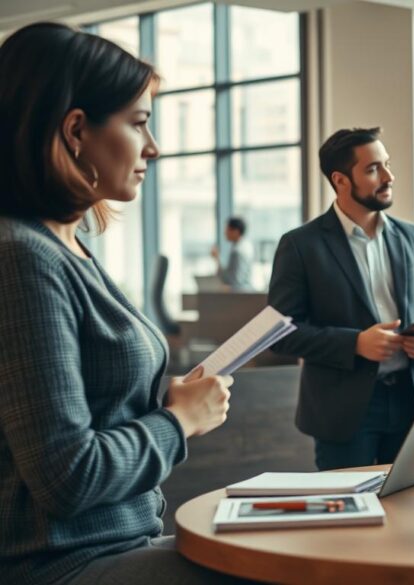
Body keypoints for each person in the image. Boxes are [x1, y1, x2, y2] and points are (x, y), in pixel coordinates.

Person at [0, 23, 240, 585]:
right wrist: (179, 420)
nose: (152, 147)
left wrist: (167, 405)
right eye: (138, 124)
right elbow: (66, 476)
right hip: (62, 563)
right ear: (77, 130)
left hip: (122, 542)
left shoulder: (65, 246)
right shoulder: (22, 258)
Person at [268, 127, 414, 471]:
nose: (388, 176)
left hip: (411, 400)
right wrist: (355, 344)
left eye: (387, 165)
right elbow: (281, 333)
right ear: (340, 180)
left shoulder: (410, 236)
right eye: (372, 169)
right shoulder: (301, 245)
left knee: (410, 509)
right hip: (344, 409)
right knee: (349, 515)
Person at [211, 216, 255, 291]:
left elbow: (232, 280)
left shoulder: (237, 251)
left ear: (236, 231)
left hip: (239, 293)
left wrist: (217, 258)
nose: (225, 233)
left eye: (227, 229)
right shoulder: (246, 246)